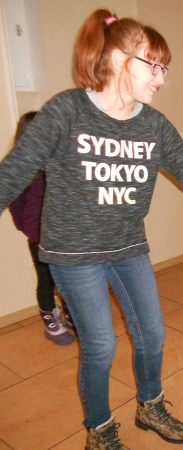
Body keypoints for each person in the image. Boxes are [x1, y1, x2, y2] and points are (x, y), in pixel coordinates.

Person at [0, 9, 183, 448]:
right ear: (118, 59)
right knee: (101, 345)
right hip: (73, 253)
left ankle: (149, 405)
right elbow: (11, 176)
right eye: (153, 65)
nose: (161, 78)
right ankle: (100, 430)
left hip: (127, 247)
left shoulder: (153, 125)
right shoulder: (67, 110)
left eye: (165, 68)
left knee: (152, 334)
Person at [8, 112, 75, 346]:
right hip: (39, 236)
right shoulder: (20, 169)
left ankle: (71, 313)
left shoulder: (61, 161)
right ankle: (50, 319)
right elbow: (16, 205)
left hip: (65, 233)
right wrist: (29, 228)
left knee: (70, 278)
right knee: (46, 279)